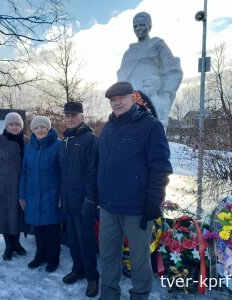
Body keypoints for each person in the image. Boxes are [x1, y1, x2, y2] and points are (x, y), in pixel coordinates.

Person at [97, 82, 173, 300]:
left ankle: (139, 295)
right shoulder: (108, 128)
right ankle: (109, 295)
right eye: (113, 100)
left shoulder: (150, 126)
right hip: (109, 207)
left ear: (133, 98)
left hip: (136, 208)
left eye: (122, 98)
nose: (117, 103)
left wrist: (153, 201)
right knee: (109, 256)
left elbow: (160, 166)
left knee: (139, 260)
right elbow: (103, 165)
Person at [59, 102, 100, 298]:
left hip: (83, 201)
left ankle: (92, 277)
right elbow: (62, 173)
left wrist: (91, 199)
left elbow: (93, 172)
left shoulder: (89, 139)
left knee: (86, 241)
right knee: (73, 240)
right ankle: (78, 269)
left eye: (74, 115)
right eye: (68, 115)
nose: (71, 118)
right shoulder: (65, 140)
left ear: (82, 116)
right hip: (68, 200)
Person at [117, 11, 182, 123]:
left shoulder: (157, 45)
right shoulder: (128, 53)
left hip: (151, 96)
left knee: (152, 131)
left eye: (142, 25)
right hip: (131, 99)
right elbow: (121, 78)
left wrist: (165, 95)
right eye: (135, 26)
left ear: (149, 26)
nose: (138, 29)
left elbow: (173, 70)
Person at [19, 116, 64, 273]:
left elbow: (64, 173)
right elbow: (24, 172)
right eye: (36, 127)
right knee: (38, 229)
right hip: (32, 196)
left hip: (51, 196)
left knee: (52, 231)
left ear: (49, 128)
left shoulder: (58, 146)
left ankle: (53, 259)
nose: (39, 130)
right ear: (32, 130)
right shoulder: (29, 147)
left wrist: (61, 196)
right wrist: (22, 195)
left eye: (42, 127)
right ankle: (40, 256)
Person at [0, 112, 28, 261]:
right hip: (1, 187)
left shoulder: (27, 141)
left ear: (21, 126)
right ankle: (9, 245)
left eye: (17, 124)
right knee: (4, 217)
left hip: (21, 187)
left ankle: (17, 243)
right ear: (6, 126)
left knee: (18, 216)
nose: (14, 127)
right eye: (11, 124)